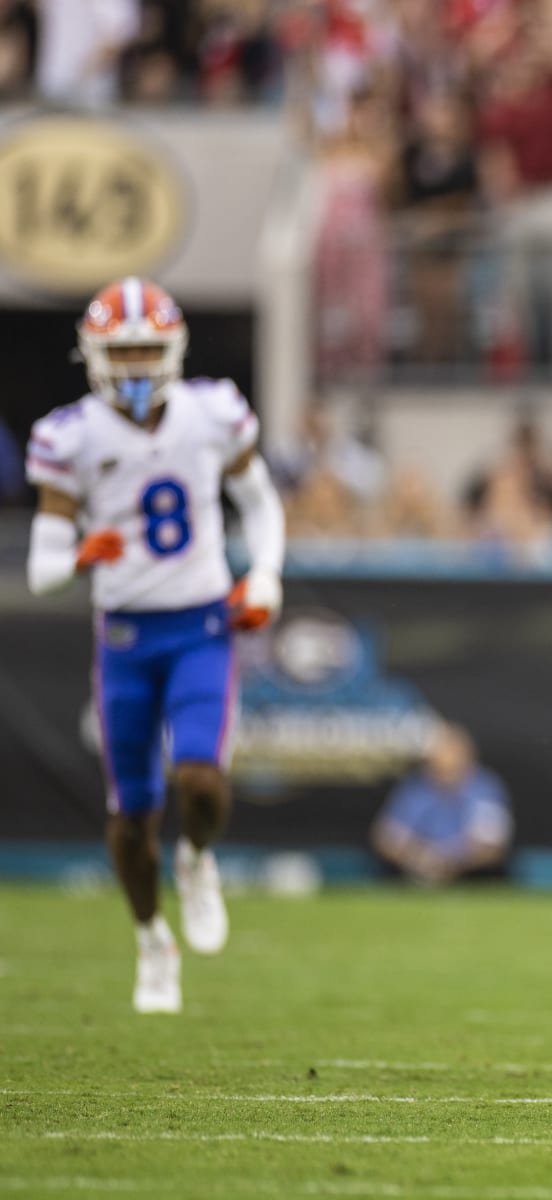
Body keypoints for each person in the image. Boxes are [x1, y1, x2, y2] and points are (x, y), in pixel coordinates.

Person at [24, 277, 286, 1014]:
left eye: (147, 349)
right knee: (130, 818)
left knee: (201, 780)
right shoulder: (67, 436)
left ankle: (198, 857)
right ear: (94, 355)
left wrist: (263, 574)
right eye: (123, 351)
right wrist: (78, 556)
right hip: (126, 639)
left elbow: (259, 500)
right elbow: (41, 568)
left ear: (172, 349)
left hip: (201, 624)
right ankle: (151, 941)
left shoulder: (213, 413)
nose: (136, 365)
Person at [372, 724, 514, 884]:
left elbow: (492, 847)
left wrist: (449, 862)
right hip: (415, 874)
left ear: (467, 754)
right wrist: (420, 858)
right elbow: (387, 837)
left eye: (451, 750)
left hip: (473, 877)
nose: (445, 757)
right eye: (439, 751)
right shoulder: (415, 788)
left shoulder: (485, 788)